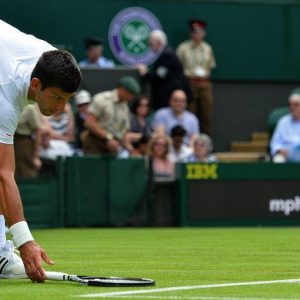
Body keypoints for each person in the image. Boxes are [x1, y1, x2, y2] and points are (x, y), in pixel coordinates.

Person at [0, 19, 81, 282]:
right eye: (57, 98)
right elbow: (4, 176)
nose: (60, 110)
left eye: (66, 101)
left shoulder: (50, 60)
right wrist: (25, 241)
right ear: (36, 84)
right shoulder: (6, 94)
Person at [176, 19, 216, 135]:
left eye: (200, 32)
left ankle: (207, 142)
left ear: (204, 33)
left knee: (206, 114)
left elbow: (211, 66)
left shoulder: (207, 48)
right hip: (190, 83)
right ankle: (190, 140)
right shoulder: (183, 48)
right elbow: (178, 67)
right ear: (191, 33)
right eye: (195, 32)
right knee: (190, 113)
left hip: (205, 83)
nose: (197, 34)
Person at [83, 76, 141, 155]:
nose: (131, 98)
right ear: (123, 89)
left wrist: (131, 149)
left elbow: (124, 132)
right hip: (95, 143)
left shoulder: (125, 107)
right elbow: (89, 122)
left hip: (114, 146)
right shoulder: (102, 99)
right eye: (130, 94)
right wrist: (108, 138)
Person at [136, 30, 191, 110]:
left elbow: (159, 77)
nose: (150, 45)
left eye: (151, 43)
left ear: (158, 42)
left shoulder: (166, 55)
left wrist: (145, 74)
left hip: (167, 99)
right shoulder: (166, 53)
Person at [270, 88, 300, 163]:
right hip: (287, 155)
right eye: (290, 105)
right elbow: (275, 143)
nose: (293, 108)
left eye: (296, 105)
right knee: (278, 160)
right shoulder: (283, 122)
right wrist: (279, 150)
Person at [14, 104, 42, 178]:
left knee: (26, 173)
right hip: (9, 143)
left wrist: (35, 157)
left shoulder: (29, 108)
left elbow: (38, 132)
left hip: (24, 144)